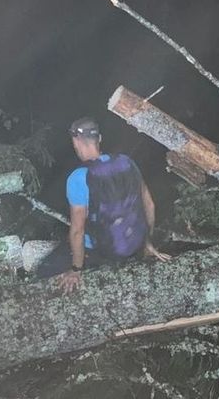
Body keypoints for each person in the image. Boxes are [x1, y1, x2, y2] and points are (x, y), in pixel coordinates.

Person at [37, 117, 170, 293]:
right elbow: (150, 205)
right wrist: (147, 243)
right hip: (134, 246)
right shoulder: (127, 162)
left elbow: (78, 230)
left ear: (76, 141)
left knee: (44, 269)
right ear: (99, 139)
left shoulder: (79, 177)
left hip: (101, 252)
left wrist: (76, 269)